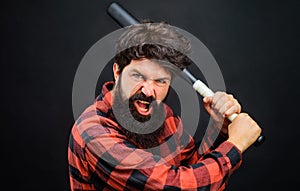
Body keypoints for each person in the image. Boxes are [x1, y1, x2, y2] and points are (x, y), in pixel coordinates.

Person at [68, 21, 261, 191]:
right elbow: (173, 185)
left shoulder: (163, 116)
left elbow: (194, 170)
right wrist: (235, 146)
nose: (148, 91)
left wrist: (221, 129)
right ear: (117, 71)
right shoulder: (93, 133)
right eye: (138, 76)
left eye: (160, 81)